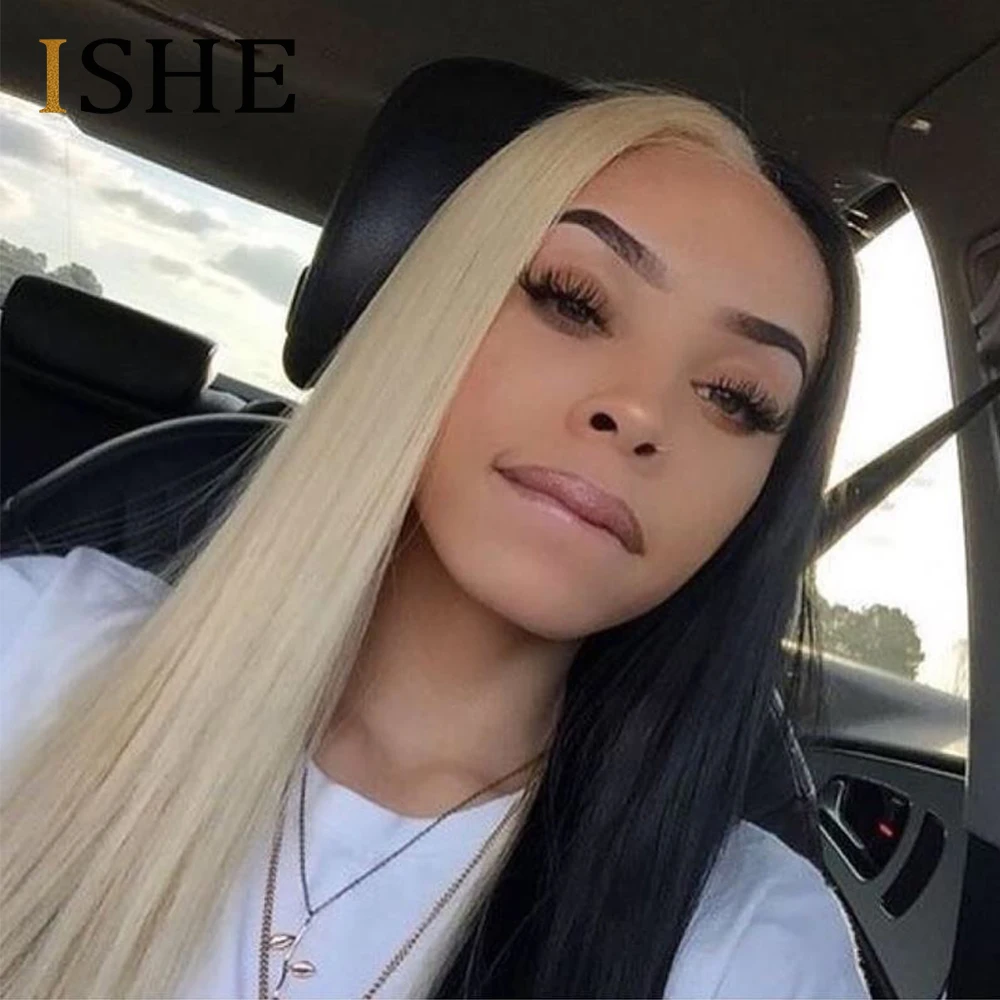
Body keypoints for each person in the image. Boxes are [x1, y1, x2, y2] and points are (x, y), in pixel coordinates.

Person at [0, 79, 868, 999]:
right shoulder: (35, 651)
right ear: (436, 310)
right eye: (574, 302)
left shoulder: (751, 944)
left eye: (736, 398)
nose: (642, 410)